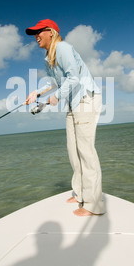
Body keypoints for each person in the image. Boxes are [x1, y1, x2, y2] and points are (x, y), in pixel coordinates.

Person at [25, 19, 105, 217]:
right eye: (34, 33)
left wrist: (56, 97)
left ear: (50, 32)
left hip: (86, 98)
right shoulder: (48, 58)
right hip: (73, 103)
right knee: (73, 150)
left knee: (86, 151)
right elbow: (55, 82)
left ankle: (94, 204)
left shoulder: (63, 48)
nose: (36, 36)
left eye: (39, 32)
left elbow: (74, 78)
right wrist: (39, 93)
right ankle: (80, 194)